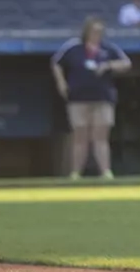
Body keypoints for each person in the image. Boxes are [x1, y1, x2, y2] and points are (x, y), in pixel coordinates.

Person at [52, 17, 131, 179]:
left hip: (102, 98)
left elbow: (126, 63)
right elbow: (56, 63)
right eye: (94, 31)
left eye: (100, 31)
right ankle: (76, 172)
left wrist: (108, 65)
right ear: (87, 31)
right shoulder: (73, 47)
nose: (97, 34)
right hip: (78, 98)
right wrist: (61, 83)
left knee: (100, 136)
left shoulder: (108, 48)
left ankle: (105, 171)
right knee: (80, 136)